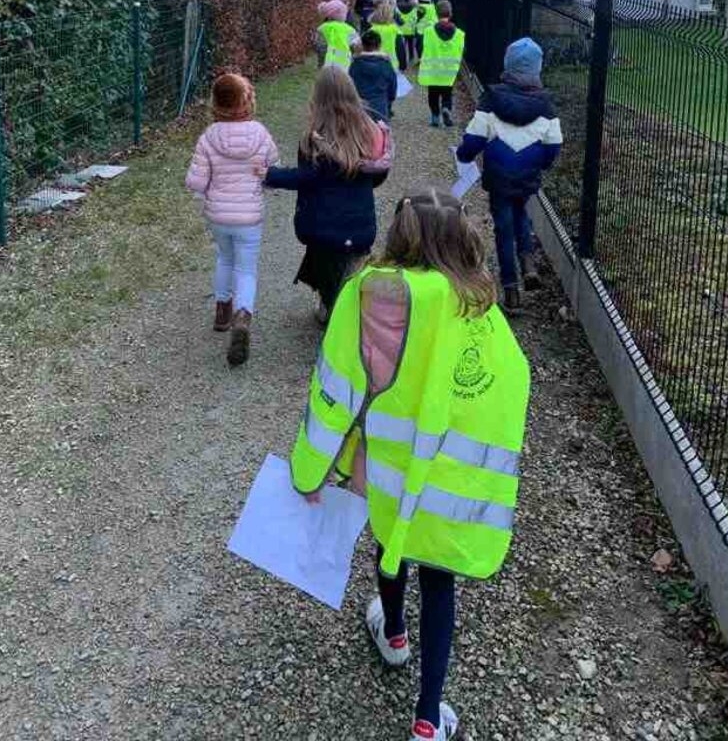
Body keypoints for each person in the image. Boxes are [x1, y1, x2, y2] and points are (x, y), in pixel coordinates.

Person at [290, 189, 530, 740]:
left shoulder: (365, 294)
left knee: (388, 542)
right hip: (441, 474)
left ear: (400, 233)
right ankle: (427, 717)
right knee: (439, 580)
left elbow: (336, 385)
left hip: (383, 465)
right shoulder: (475, 306)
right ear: (463, 237)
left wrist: (313, 468)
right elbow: (508, 385)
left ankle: (394, 633)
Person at [263, 65, 392, 322]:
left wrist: (270, 174)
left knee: (327, 270)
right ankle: (346, 310)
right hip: (360, 226)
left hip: (322, 226)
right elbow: (377, 178)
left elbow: (306, 178)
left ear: (318, 97)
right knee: (351, 277)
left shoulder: (316, 138)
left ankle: (333, 313)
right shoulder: (371, 131)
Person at [456, 37, 562, 311]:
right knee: (521, 213)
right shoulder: (546, 106)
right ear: (537, 68)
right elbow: (553, 144)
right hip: (527, 173)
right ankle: (528, 262)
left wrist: (464, 155)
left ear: (508, 64)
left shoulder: (491, 100)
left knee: (503, 227)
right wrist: (542, 163)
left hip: (499, 174)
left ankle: (511, 289)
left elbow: (474, 138)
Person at [185, 73, 279, 367]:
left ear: (216, 102)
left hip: (219, 216)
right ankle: (242, 315)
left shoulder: (208, 137)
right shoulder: (260, 134)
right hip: (249, 216)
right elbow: (273, 168)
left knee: (224, 259)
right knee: (246, 269)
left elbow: (196, 182)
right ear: (248, 100)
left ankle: (222, 312)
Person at [417, 0, 464, 128]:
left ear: (437, 13)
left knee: (433, 95)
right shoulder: (459, 34)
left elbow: (421, 47)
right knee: (447, 93)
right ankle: (446, 108)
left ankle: (435, 117)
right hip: (449, 71)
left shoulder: (428, 31)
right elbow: (461, 51)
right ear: (450, 13)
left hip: (432, 70)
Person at [349, 28, 398, 123]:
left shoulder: (355, 64)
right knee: (381, 129)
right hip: (380, 105)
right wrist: (390, 100)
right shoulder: (385, 64)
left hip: (360, 105)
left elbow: (350, 85)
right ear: (379, 45)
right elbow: (392, 85)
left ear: (362, 45)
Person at [314, 0, 361, 70]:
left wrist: (321, 63)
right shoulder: (349, 29)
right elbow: (357, 46)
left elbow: (320, 46)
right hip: (345, 63)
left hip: (327, 63)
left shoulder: (322, 28)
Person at [368, 0, 408, 72]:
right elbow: (400, 50)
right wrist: (403, 66)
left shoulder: (371, 30)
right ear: (390, 14)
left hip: (373, 65)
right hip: (391, 65)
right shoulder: (395, 30)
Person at [398, 0, 420, 66]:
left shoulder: (398, 5)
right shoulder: (415, 7)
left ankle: (402, 60)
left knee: (402, 47)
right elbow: (416, 18)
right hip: (410, 30)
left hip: (401, 30)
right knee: (411, 46)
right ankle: (411, 59)